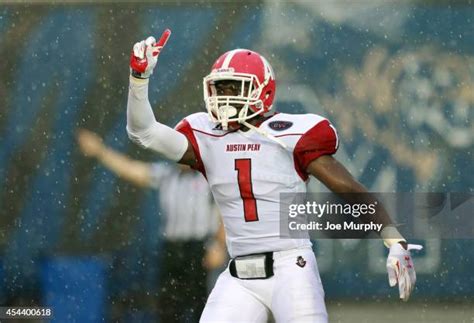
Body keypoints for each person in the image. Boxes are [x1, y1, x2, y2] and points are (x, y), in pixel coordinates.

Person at [126, 30, 422, 322]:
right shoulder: (205, 134)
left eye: (233, 88)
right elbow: (144, 133)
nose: (223, 97)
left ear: (262, 91)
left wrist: (393, 238)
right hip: (239, 275)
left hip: (290, 268)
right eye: (220, 88)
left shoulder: (288, 134)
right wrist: (139, 80)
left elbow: (347, 188)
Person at [76, 128, 226, 322]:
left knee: (203, 305)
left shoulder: (209, 178)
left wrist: (219, 246)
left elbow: (225, 212)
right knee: (169, 306)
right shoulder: (166, 175)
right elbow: (130, 169)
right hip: (173, 249)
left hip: (200, 248)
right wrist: (101, 151)